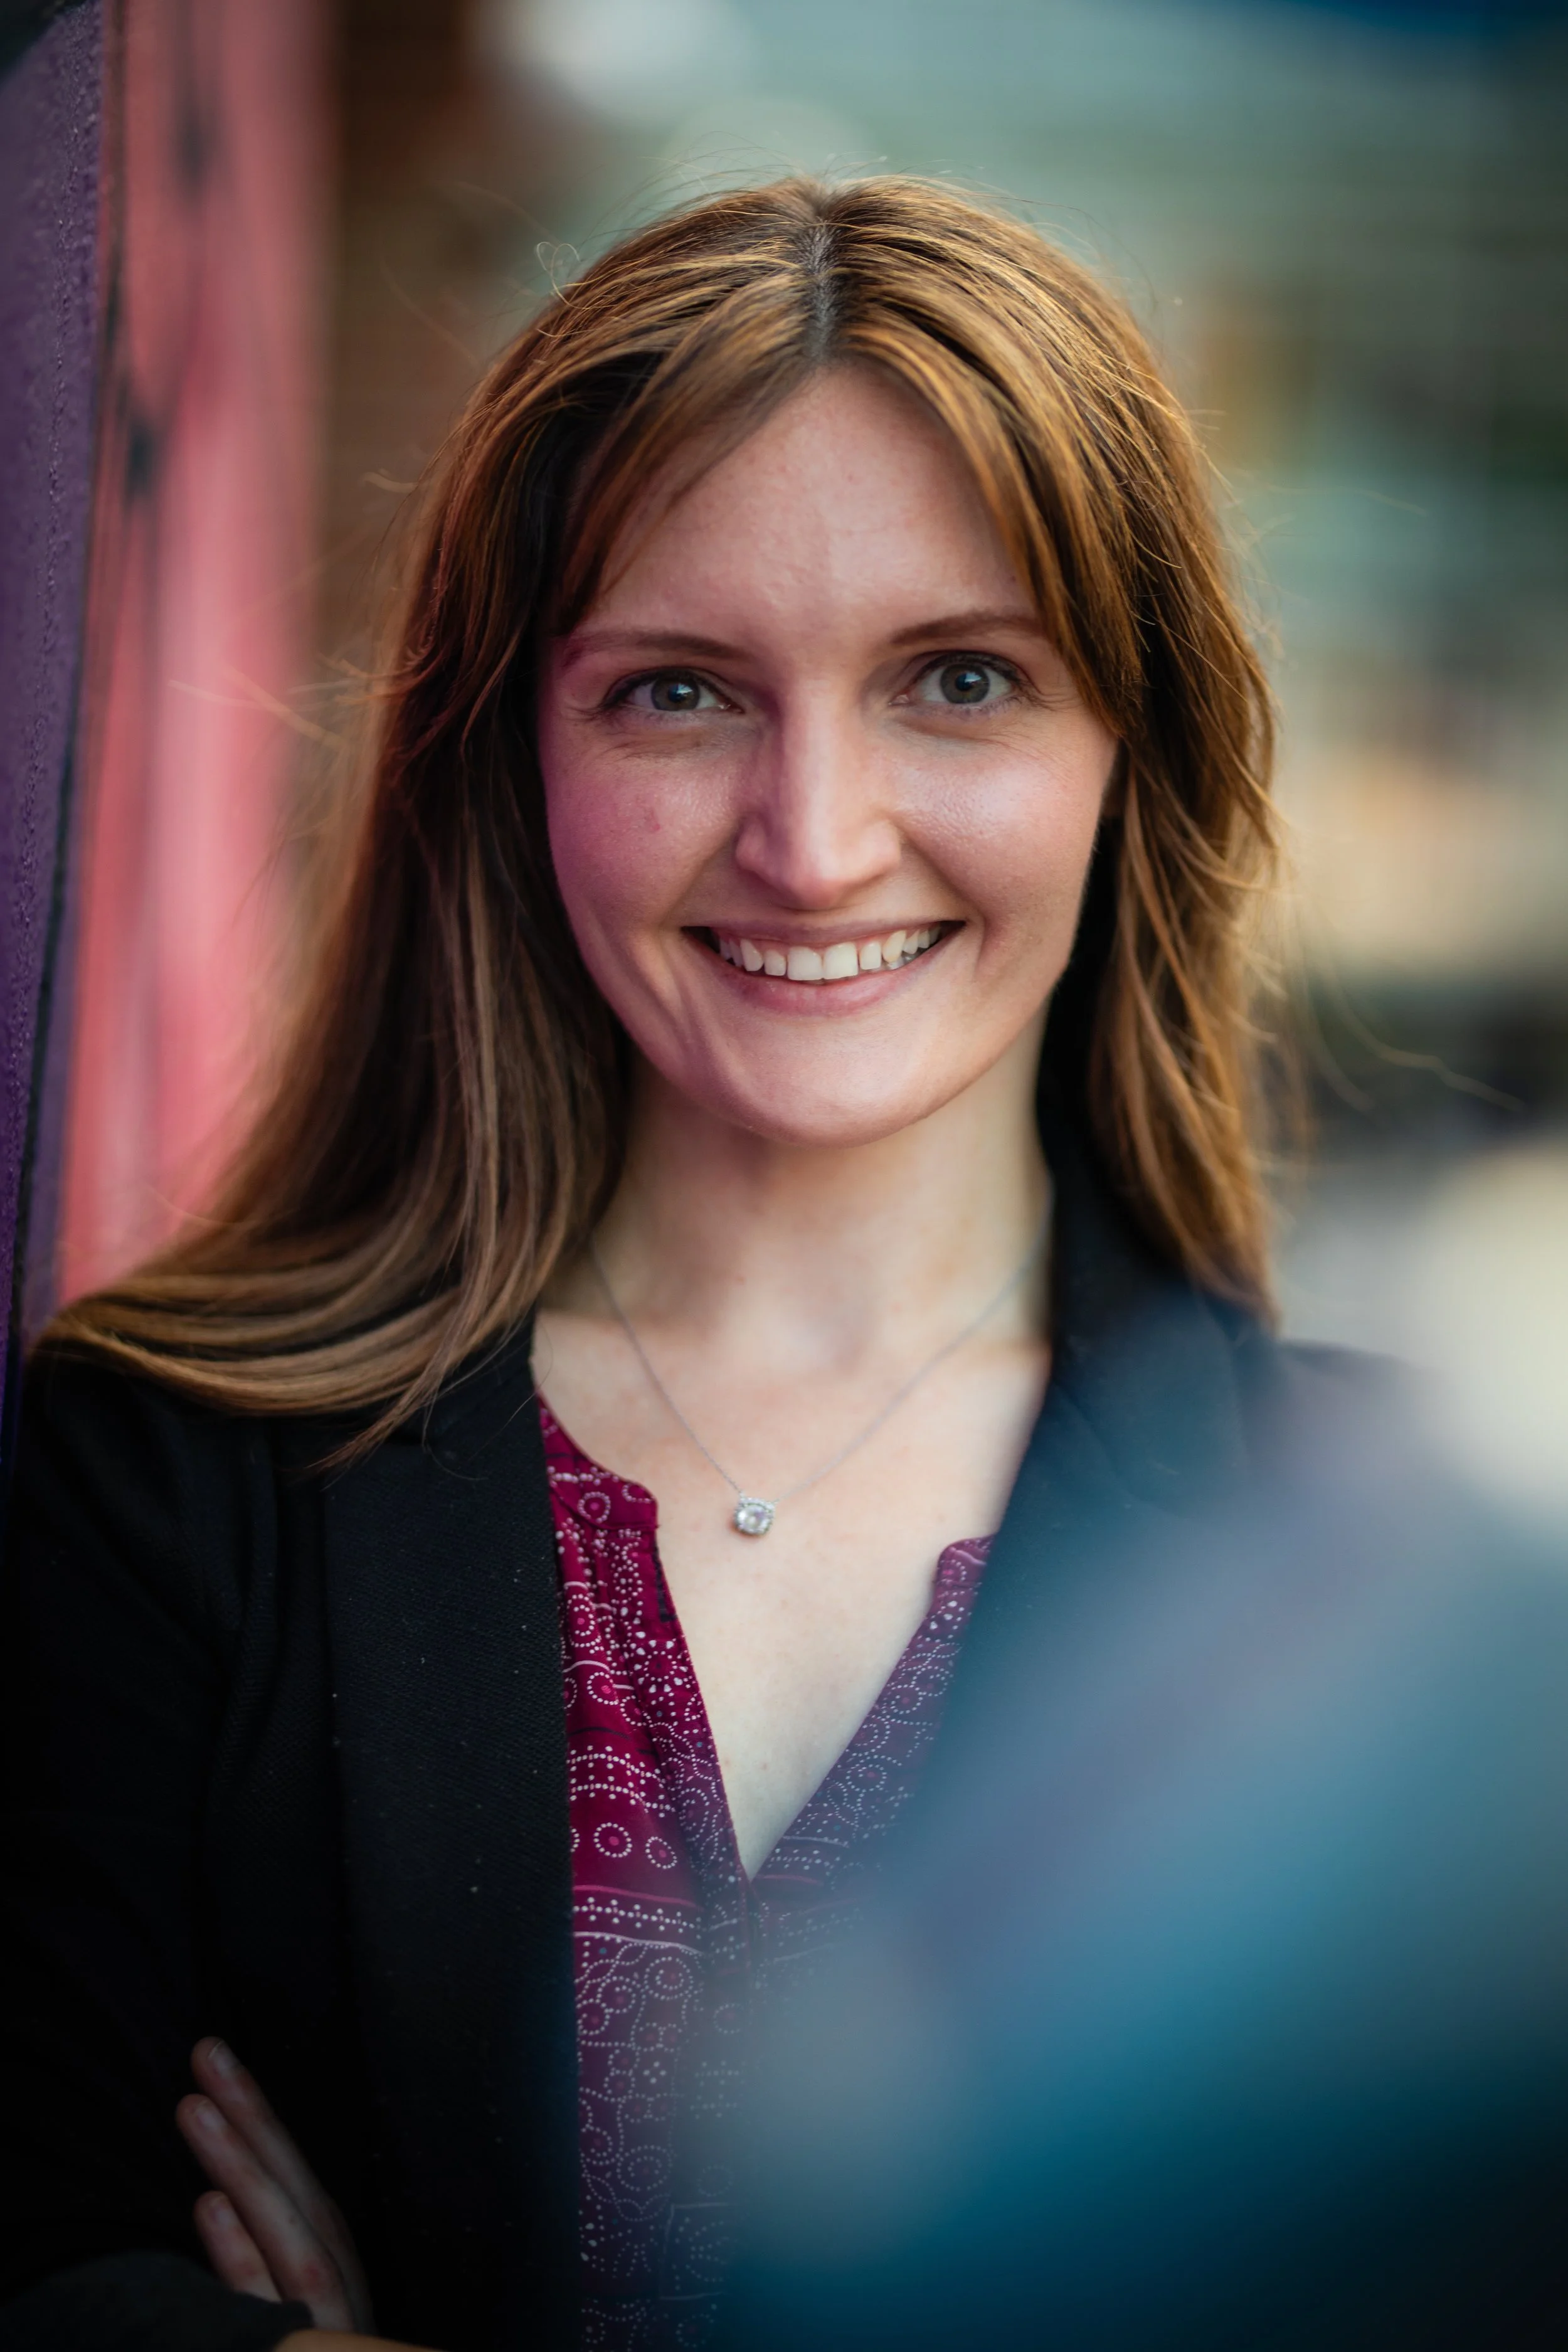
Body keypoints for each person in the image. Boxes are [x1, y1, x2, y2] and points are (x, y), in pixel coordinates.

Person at [0, 174, 1334, 2352]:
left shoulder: (1362, 1573)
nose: (813, 837)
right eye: (680, 693)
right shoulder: (174, 1470)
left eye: (959, 678)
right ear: (512, 746)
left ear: (1132, 753)